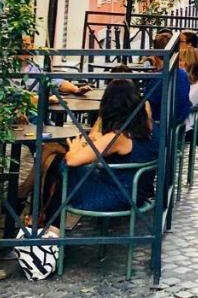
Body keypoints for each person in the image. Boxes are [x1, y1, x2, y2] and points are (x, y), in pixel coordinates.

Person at [41, 78, 158, 222]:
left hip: (117, 196)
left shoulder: (117, 137)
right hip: (135, 191)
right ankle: (47, 223)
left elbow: (72, 160)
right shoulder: (146, 129)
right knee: (59, 172)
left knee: (59, 165)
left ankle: (47, 227)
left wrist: (75, 148)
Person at [145, 31, 191, 127]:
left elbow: (147, 106)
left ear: (156, 53)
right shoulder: (183, 74)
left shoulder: (159, 77)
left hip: (161, 125)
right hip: (179, 122)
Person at [179, 45, 198, 143]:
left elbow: (186, 102)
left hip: (184, 126)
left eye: (180, 60)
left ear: (190, 63)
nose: (177, 64)